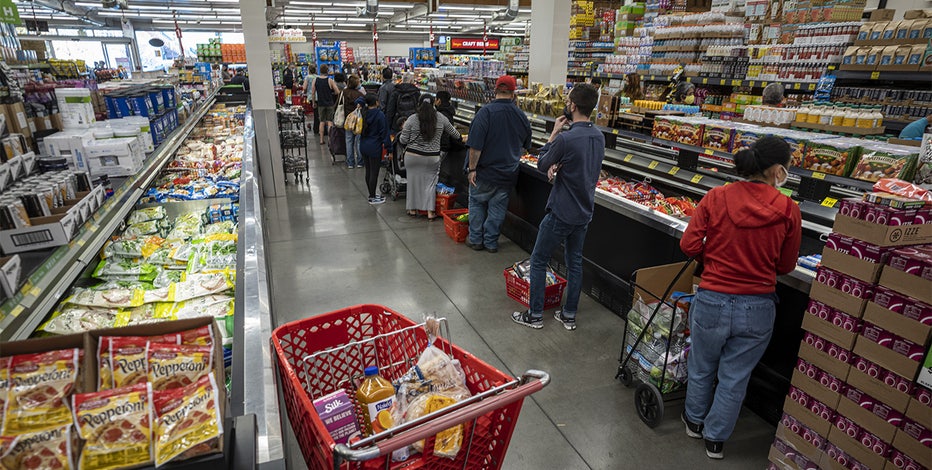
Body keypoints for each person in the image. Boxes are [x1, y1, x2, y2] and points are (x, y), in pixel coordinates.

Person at [679, 135, 801, 460]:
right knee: (734, 377)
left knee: (701, 366)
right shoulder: (789, 209)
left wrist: (713, 259)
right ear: (777, 170)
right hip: (758, 306)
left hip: (712, 299)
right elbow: (786, 265)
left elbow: (689, 245)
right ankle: (715, 441)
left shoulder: (717, 196)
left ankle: (693, 422)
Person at [511, 84, 604, 331]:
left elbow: (542, 164)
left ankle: (535, 315)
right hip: (584, 212)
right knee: (575, 263)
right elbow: (581, 166)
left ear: (573, 106)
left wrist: (553, 134)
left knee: (539, 260)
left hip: (562, 211)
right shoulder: (599, 136)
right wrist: (561, 166)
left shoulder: (566, 138)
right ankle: (569, 315)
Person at [465, 75, 532, 253]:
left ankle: (476, 240)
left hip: (484, 172)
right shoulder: (521, 116)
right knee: (498, 209)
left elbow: (475, 147)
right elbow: (526, 146)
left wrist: (472, 169)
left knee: (477, 204)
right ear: (513, 93)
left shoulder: (485, 113)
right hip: (507, 174)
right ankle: (491, 243)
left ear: (495, 91)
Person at [399, 95, 462, 220]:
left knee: (413, 182)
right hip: (431, 157)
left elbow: (403, 140)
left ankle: (412, 209)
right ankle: (430, 212)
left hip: (412, 156)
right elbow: (456, 135)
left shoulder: (412, 118)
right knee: (430, 184)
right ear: (434, 103)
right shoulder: (441, 118)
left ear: (419, 104)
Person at [359, 95, 391, 205]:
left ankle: (371, 193)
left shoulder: (363, 112)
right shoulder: (379, 115)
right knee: (374, 172)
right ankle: (372, 197)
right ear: (376, 102)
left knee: (368, 171)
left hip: (363, 145)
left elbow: (358, 100)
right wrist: (389, 149)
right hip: (374, 147)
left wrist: (363, 101)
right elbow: (384, 133)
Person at [311, 65, 340, 145]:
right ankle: (330, 140)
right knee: (330, 122)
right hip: (330, 103)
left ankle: (321, 140)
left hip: (320, 104)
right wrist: (332, 94)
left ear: (319, 70)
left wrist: (313, 102)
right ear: (327, 71)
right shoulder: (330, 80)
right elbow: (337, 91)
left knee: (322, 122)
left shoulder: (315, 80)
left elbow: (313, 93)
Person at [342, 75, 366, 169]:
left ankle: (350, 163)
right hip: (358, 121)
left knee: (349, 141)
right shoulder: (360, 94)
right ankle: (360, 162)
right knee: (359, 141)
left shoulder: (343, 93)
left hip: (347, 120)